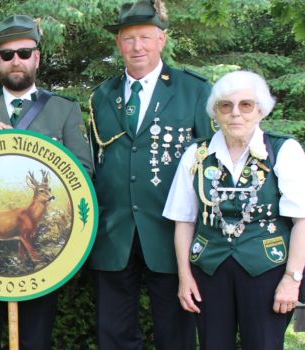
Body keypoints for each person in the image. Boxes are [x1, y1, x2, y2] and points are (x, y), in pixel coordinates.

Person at [0, 14, 93, 350]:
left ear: (37, 57)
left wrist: (38, 151)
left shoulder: (64, 111)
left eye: (24, 53)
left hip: (43, 266)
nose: (16, 61)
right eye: (7, 54)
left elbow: (84, 172)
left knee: (34, 342)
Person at [86, 1, 213, 348]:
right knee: (113, 333)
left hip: (171, 231)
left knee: (176, 332)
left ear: (162, 40)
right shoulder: (102, 96)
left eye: (145, 37)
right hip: (114, 233)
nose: (137, 47)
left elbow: (209, 165)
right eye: (128, 39)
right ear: (118, 45)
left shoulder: (194, 91)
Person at [163, 70, 305, 349]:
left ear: (261, 110)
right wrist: (185, 278)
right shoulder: (196, 155)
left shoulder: (284, 150)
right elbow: (183, 221)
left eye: (246, 105)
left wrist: (291, 280)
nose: (236, 113)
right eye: (226, 106)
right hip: (209, 270)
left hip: (267, 270)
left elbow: (304, 220)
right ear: (215, 113)